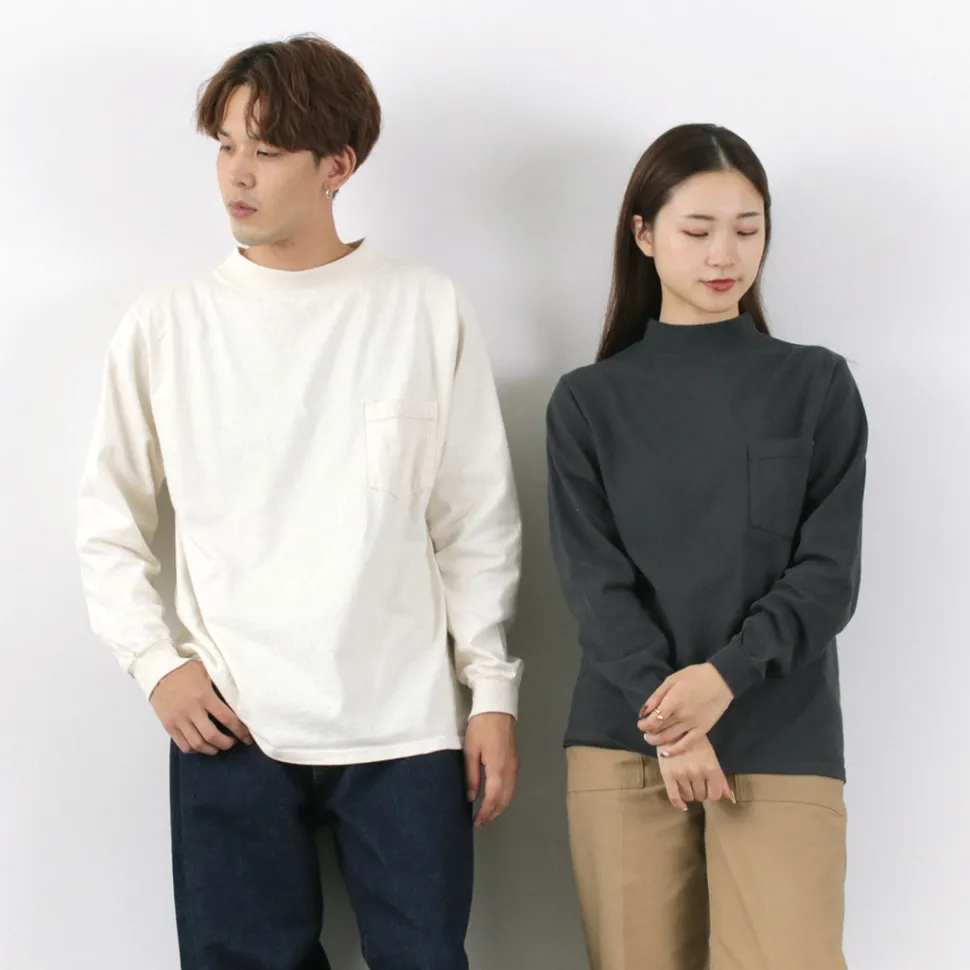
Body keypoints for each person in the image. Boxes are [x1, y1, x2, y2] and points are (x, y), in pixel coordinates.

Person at [76, 34, 523, 970]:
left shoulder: (424, 308)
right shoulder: (168, 325)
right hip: (230, 720)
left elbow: (475, 523)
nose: (236, 175)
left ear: (337, 166)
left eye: (268, 150)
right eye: (225, 145)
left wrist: (491, 693)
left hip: (405, 724)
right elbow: (108, 524)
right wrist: (157, 665)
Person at [546, 123, 867, 970]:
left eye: (747, 229)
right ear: (644, 235)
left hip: (781, 740)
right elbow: (594, 585)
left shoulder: (816, 385)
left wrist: (723, 679)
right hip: (624, 742)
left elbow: (827, 578)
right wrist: (672, 726)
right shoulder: (587, 402)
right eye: (697, 230)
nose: (725, 253)